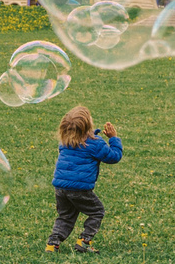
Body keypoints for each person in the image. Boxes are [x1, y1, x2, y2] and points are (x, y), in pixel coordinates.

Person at [47, 107, 123, 254]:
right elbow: (114, 157)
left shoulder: (64, 141)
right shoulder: (95, 143)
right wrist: (113, 139)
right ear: (88, 125)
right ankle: (84, 241)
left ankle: (52, 244)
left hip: (60, 188)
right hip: (79, 189)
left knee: (65, 216)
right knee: (97, 212)